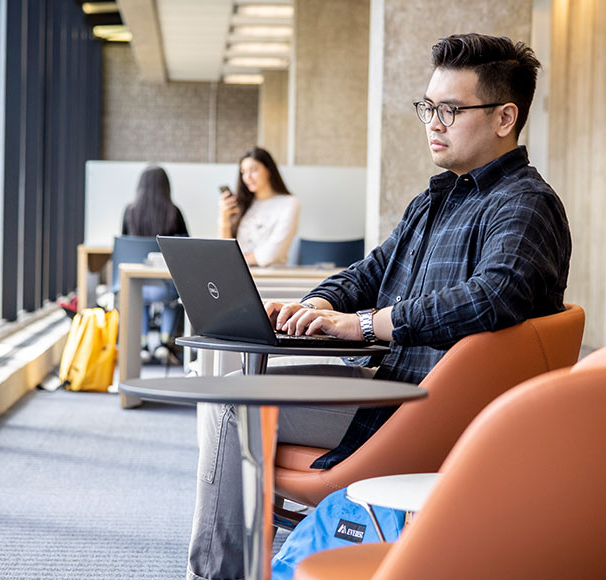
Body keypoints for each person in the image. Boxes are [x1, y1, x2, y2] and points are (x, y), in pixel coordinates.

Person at [186, 33, 572, 580]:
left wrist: (365, 324)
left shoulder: (525, 202)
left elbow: (494, 297)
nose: (433, 123)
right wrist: (318, 303)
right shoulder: (435, 199)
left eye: (450, 110)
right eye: (428, 107)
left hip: (428, 410)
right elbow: (370, 272)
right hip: (392, 389)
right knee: (232, 388)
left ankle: (218, 574)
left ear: (505, 117)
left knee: (231, 403)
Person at [121, 165, 187, 358]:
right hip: (165, 286)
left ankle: (141, 345)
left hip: (137, 286)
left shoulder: (129, 212)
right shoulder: (174, 212)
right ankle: (164, 343)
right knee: (173, 299)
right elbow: (185, 246)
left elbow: (124, 248)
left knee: (140, 296)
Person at [218, 147, 299, 267]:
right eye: (243, 172)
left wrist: (234, 259)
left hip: (271, 277)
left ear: (268, 170)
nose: (247, 177)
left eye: (253, 170)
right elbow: (223, 250)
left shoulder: (289, 203)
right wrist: (224, 218)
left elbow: (271, 254)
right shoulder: (243, 204)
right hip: (238, 272)